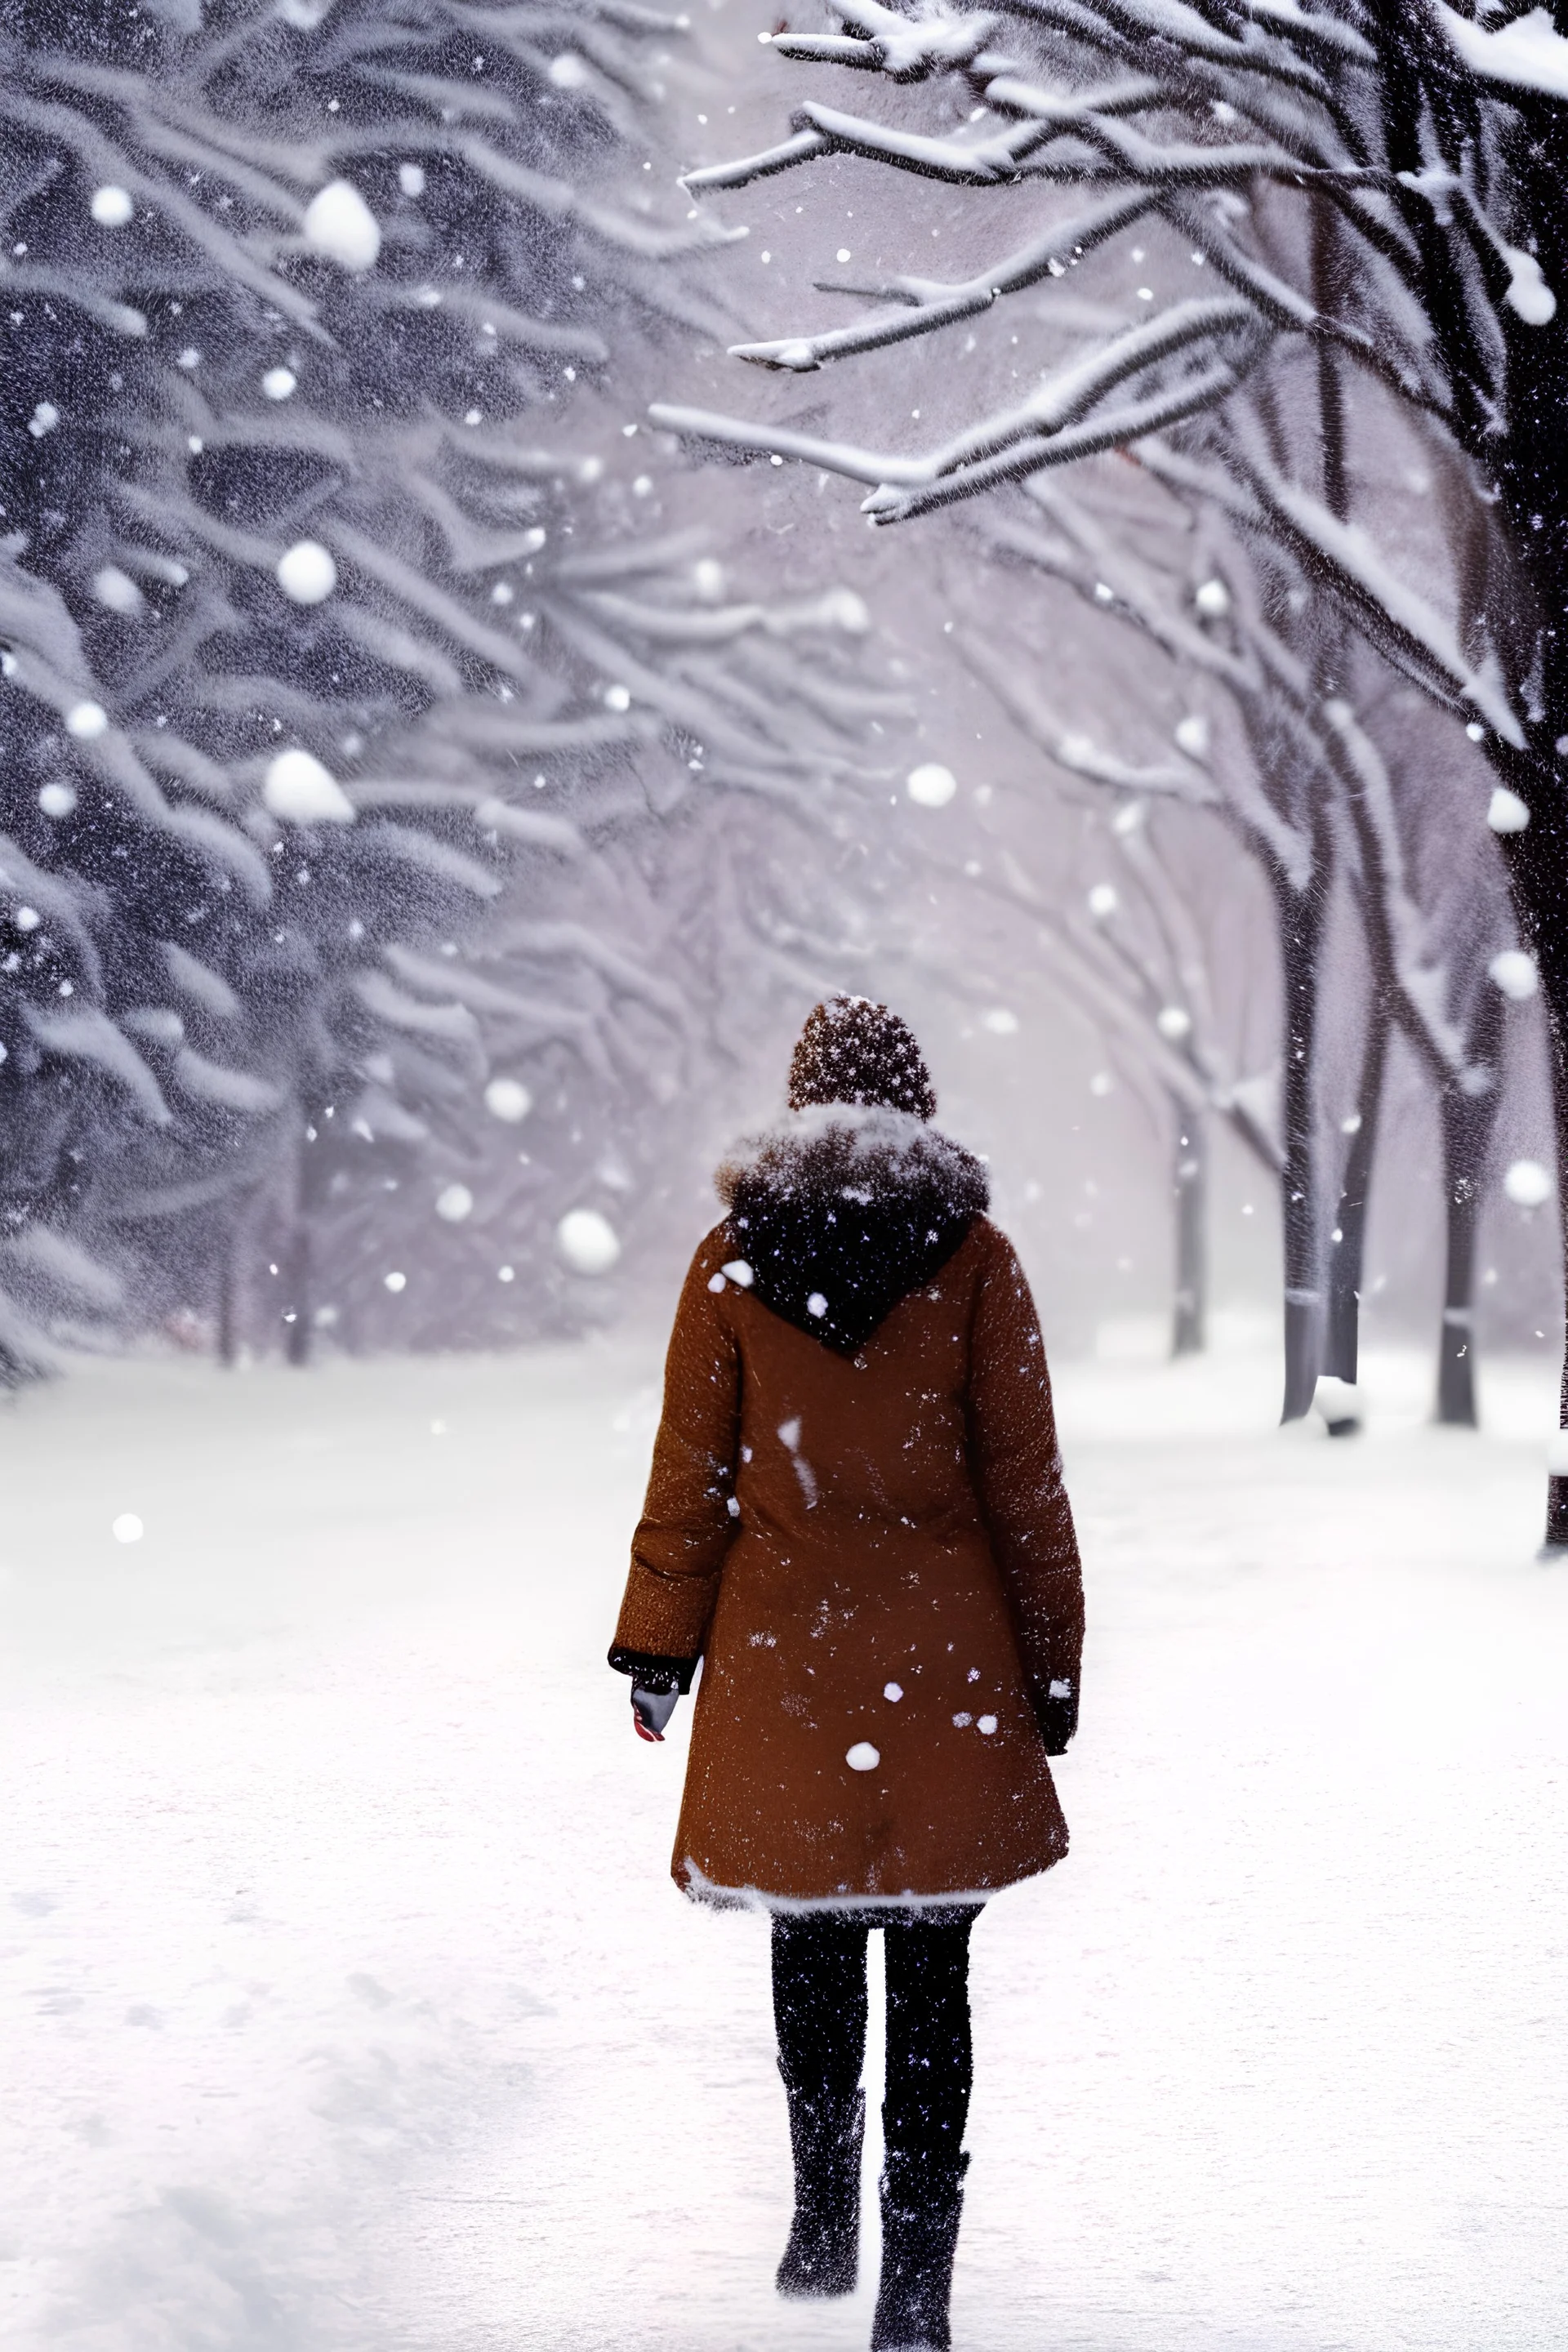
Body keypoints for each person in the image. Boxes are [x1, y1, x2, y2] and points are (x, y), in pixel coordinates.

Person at [609, 995, 1084, 2352]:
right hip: (945, 1667)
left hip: (783, 1657)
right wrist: (1049, 1666)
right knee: (932, 1969)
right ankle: (917, 2294)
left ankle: (823, 2220)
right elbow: (1025, 1490)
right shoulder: (978, 1262)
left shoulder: (730, 1260)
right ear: (917, 1108)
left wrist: (658, 1647)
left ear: (799, 1106)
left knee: (810, 1935)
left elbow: (690, 1478)